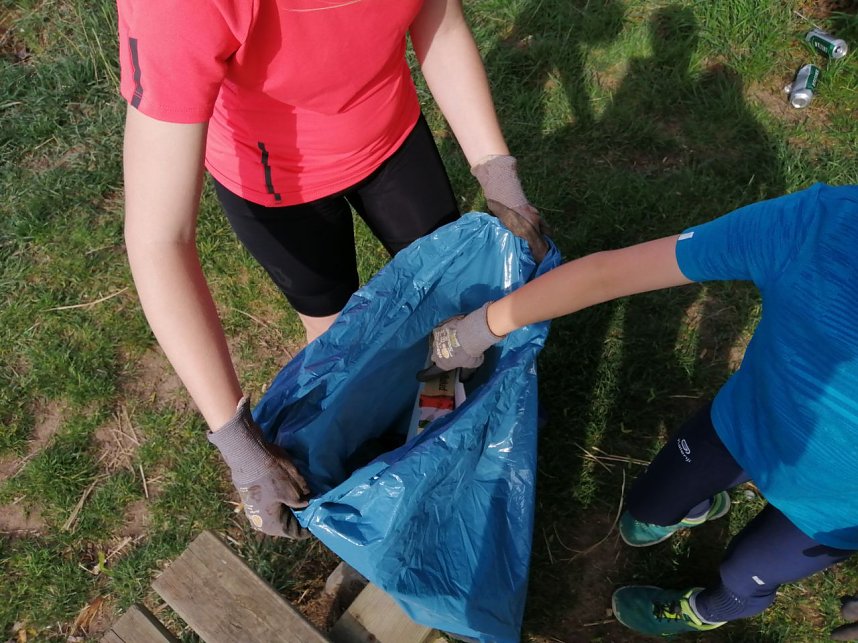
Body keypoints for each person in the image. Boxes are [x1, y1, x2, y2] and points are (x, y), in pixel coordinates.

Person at [117, 0, 545, 538]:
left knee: (454, 315)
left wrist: (498, 175)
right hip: (276, 183)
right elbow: (158, 238)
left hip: (391, 133)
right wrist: (239, 445)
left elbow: (439, 18)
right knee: (343, 346)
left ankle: (439, 440)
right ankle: (378, 477)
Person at [421, 183, 858, 636]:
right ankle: (697, 507)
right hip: (745, 426)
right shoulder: (823, 225)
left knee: (742, 577)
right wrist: (476, 331)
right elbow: (609, 273)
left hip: (833, 513)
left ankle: (703, 612)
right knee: (651, 506)